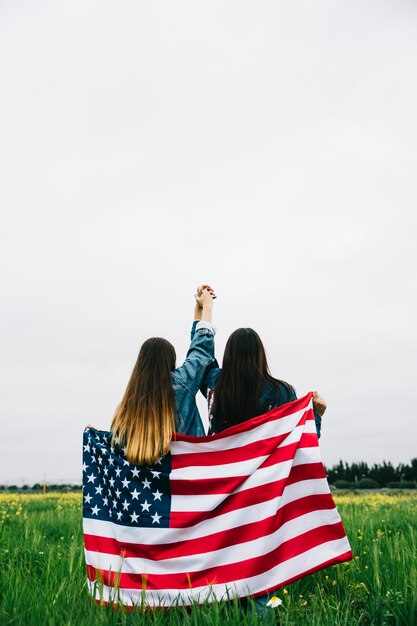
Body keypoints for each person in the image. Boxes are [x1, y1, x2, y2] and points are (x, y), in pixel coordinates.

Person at [199, 324, 327, 613]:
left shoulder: (215, 386)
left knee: (226, 555)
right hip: (264, 495)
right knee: (263, 559)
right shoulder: (282, 391)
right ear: (260, 355)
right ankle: (265, 613)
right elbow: (302, 444)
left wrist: (203, 315)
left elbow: (202, 358)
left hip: (224, 492)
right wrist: (316, 415)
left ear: (228, 356)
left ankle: (222, 610)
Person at [110, 285, 216, 465]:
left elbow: (116, 452)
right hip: (185, 482)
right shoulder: (181, 385)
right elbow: (200, 353)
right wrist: (206, 307)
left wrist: (198, 309)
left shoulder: (125, 409)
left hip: (146, 490)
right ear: (171, 361)